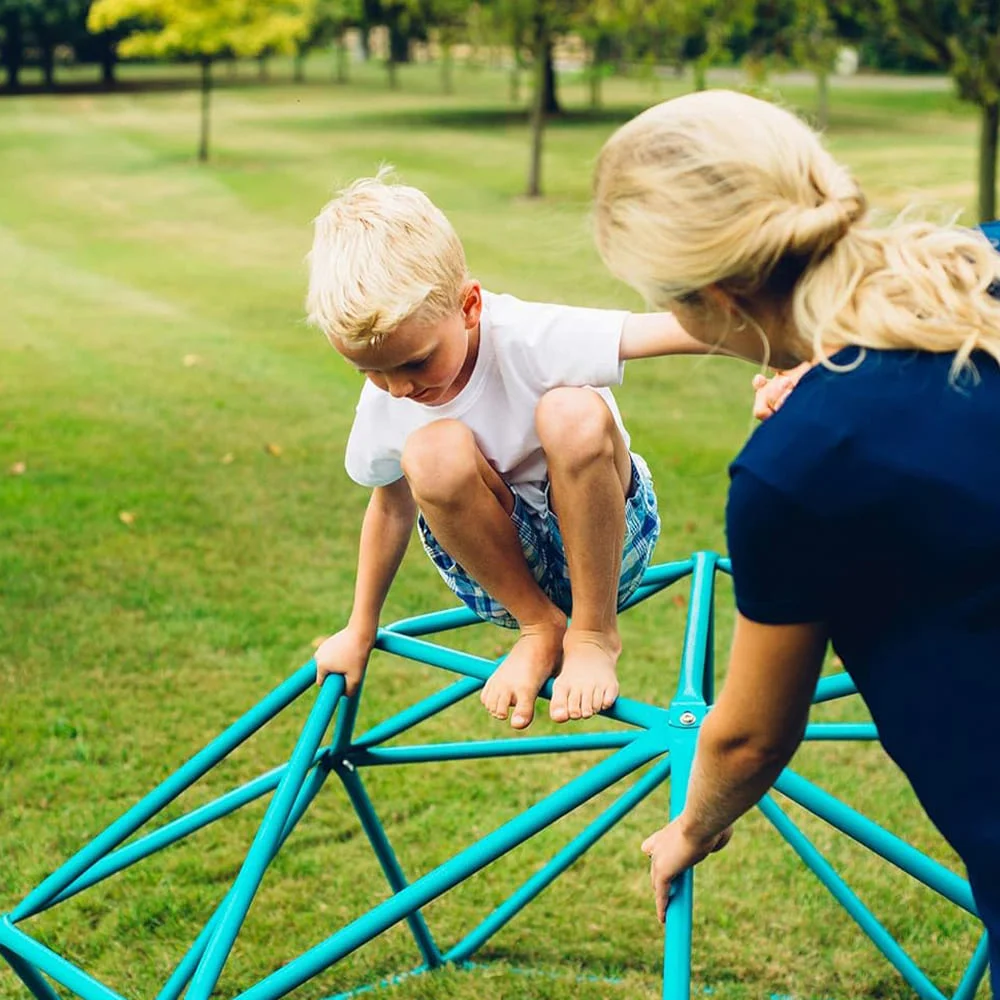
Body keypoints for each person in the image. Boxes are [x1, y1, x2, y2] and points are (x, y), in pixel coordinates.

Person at [592, 89, 1000, 991]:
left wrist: (691, 826)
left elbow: (748, 737)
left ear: (719, 297)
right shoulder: (985, 261)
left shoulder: (800, 466)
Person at [305, 174, 712, 731]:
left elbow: (665, 331)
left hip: (608, 546)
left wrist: (790, 345)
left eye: (416, 362)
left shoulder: (527, 336)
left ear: (469, 305)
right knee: (429, 454)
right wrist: (359, 627)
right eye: (370, 371)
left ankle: (593, 633)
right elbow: (391, 508)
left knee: (571, 412)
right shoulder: (389, 401)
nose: (398, 388)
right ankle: (539, 628)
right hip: (499, 578)